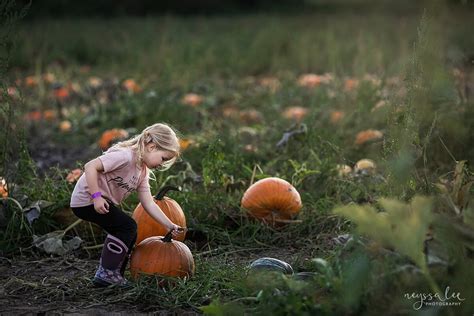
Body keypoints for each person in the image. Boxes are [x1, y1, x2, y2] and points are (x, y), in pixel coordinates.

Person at [70, 123, 183, 287]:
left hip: (99, 202)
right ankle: (106, 274)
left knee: (128, 230)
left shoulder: (142, 172)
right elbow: (90, 167)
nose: (162, 164)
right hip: (86, 200)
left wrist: (169, 224)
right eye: (163, 158)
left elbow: (148, 203)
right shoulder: (125, 156)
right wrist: (96, 196)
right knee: (126, 227)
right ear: (151, 147)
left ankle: (114, 275)